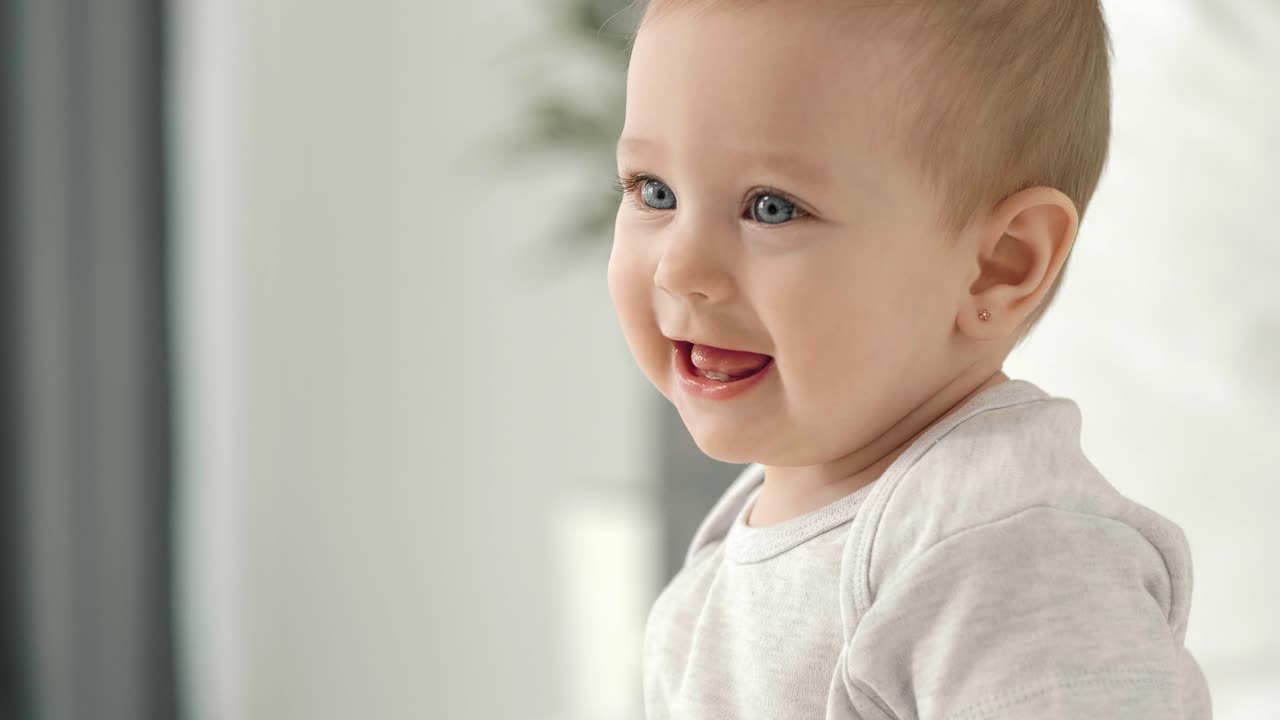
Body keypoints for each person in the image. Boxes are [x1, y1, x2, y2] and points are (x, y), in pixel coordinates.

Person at [604, 1, 1213, 718]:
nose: (681, 268)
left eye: (771, 208)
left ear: (998, 265)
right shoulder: (728, 557)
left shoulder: (1008, 551)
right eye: (655, 192)